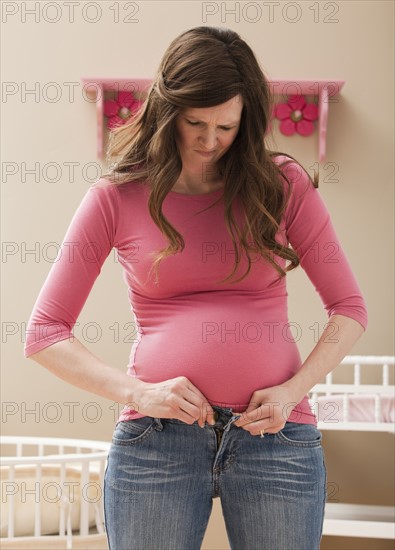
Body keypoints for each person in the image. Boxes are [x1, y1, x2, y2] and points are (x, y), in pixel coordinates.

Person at [24, 26, 368, 550]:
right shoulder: (116, 196)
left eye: (226, 126)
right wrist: (138, 392)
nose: (211, 140)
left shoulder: (282, 186)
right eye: (195, 123)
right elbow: (44, 333)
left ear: (247, 120)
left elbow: (349, 308)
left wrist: (292, 391)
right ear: (168, 112)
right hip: (156, 441)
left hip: (274, 438)